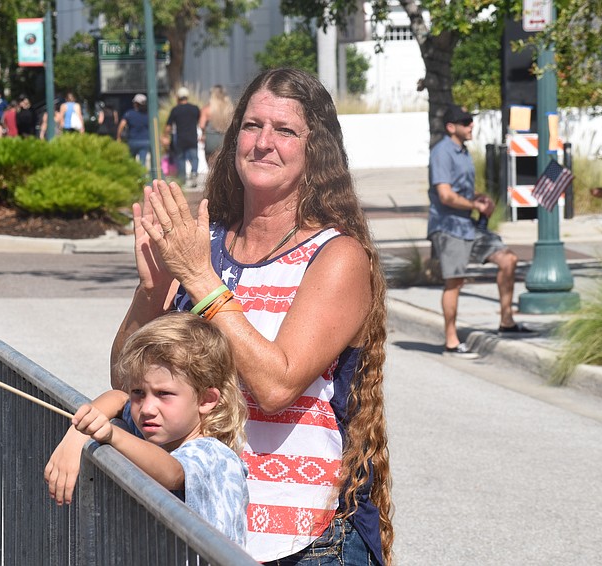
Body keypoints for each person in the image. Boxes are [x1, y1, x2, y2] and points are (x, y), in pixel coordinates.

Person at [107, 68, 392, 565]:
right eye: (253, 126)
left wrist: (200, 280)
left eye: (285, 131)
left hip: (305, 543)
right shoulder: (205, 243)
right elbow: (125, 378)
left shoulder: (338, 256)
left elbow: (278, 386)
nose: (264, 143)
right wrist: (151, 293)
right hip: (204, 529)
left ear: (315, 150)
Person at [45, 312, 249, 548]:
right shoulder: (156, 428)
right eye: (139, 392)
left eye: (164, 394)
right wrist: (76, 436)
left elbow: (172, 472)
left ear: (206, 399)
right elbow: (119, 397)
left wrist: (112, 434)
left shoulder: (213, 455)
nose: (147, 408)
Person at [428, 105, 533, 359]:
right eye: (465, 122)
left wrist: (478, 197)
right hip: (449, 226)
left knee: (508, 259)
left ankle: (506, 321)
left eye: (471, 121)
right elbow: (445, 194)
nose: (471, 125)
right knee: (455, 282)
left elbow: (460, 190)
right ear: (451, 127)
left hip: (468, 225)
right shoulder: (442, 152)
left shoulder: (463, 152)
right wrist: (474, 205)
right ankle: (451, 342)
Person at [163, 86, 201, 187]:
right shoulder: (195, 109)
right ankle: (194, 173)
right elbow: (199, 121)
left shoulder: (175, 110)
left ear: (178, 98)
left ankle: (182, 180)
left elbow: (168, 126)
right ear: (187, 97)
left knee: (181, 159)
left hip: (180, 139)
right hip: (192, 138)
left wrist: (165, 136)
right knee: (194, 158)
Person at [198, 84, 234, 165]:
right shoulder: (230, 108)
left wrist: (203, 134)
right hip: (226, 138)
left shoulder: (207, 109)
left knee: (212, 166)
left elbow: (201, 125)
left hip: (211, 138)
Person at [118, 93, 150, 166]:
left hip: (133, 141)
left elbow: (121, 125)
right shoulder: (148, 114)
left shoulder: (129, 114)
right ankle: (142, 176)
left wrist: (119, 137)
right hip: (145, 141)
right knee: (142, 162)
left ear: (135, 104)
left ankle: (132, 175)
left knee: (130, 161)